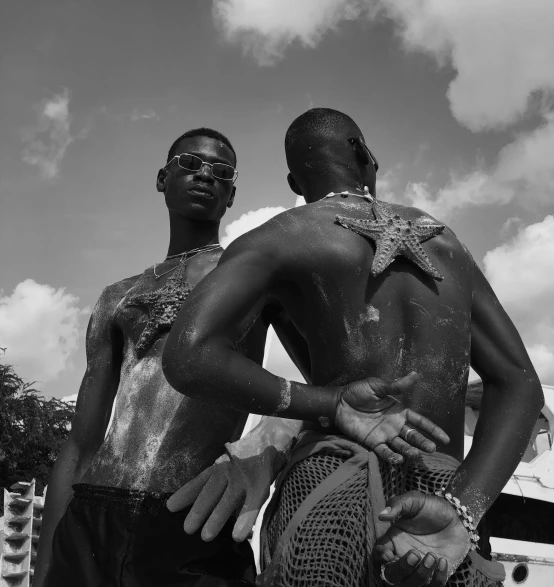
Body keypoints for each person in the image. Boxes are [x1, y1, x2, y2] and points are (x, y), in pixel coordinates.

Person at [34, 126, 444, 587]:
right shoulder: (117, 296)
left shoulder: (253, 274)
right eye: (190, 164)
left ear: (231, 195)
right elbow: (81, 444)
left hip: (196, 511)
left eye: (221, 171)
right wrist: (46, 563)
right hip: (91, 515)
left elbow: (343, 388)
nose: (205, 175)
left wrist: (265, 445)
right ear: (161, 178)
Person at [163, 108, 544, 587]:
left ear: (293, 180)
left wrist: (331, 402)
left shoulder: (283, 237)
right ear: (365, 156)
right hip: (440, 501)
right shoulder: (445, 242)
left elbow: (187, 355)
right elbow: (522, 387)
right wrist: (461, 510)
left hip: (327, 486)